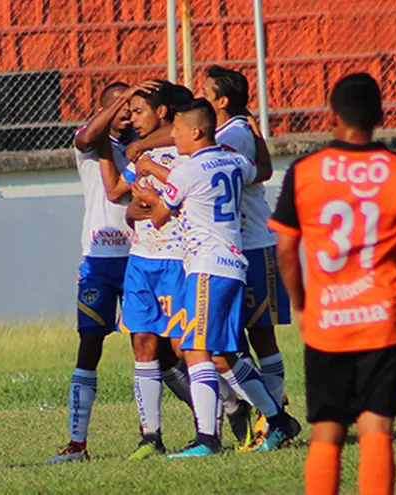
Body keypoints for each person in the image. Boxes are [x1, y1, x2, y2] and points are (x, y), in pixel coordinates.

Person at [268, 73, 396, 495]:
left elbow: (286, 250)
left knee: (326, 432)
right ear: (380, 117)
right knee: (376, 428)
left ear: (331, 117)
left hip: (328, 321)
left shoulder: (304, 172)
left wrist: (301, 303)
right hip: (385, 320)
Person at [132, 98, 300, 459]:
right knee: (222, 355)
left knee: (195, 349)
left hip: (208, 267)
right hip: (233, 263)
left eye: (176, 129)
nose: (172, 136)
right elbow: (262, 171)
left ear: (195, 131)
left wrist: (149, 196)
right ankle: (278, 420)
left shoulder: (186, 171)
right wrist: (257, 136)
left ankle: (207, 439)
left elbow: (160, 216)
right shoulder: (235, 160)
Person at [47, 81, 156, 464]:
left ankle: (157, 434)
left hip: (140, 257)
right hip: (98, 261)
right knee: (89, 345)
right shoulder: (91, 144)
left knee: (152, 347)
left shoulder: (141, 147)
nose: (128, 114)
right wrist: (120, 103)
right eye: (122, 106)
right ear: (106, 108)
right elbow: (87, 136)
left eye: (132, 107)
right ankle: (77, 444)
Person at [200, 65, 293, 447]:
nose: (198, 95)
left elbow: (257, 172)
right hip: (236, 248)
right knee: (232, 343)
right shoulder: (235, 130)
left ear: (221, 101)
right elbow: (265, 170)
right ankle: (268, 413)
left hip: (253, 245)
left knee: (260, 337)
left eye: (204, 90)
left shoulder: (233, 134)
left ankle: (274, 422)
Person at [103, 81, 196, 460]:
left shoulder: (185, 151)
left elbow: (183, 197)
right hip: (141, 260)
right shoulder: (139, 156)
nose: (133, 120)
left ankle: (223, 416)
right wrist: (131, 209)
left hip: (176, 260)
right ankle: (150, 435)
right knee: (142, 344)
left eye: (139, 112)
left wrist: (154, 194)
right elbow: (116, 194)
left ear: (162, 114)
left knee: (182, 346)